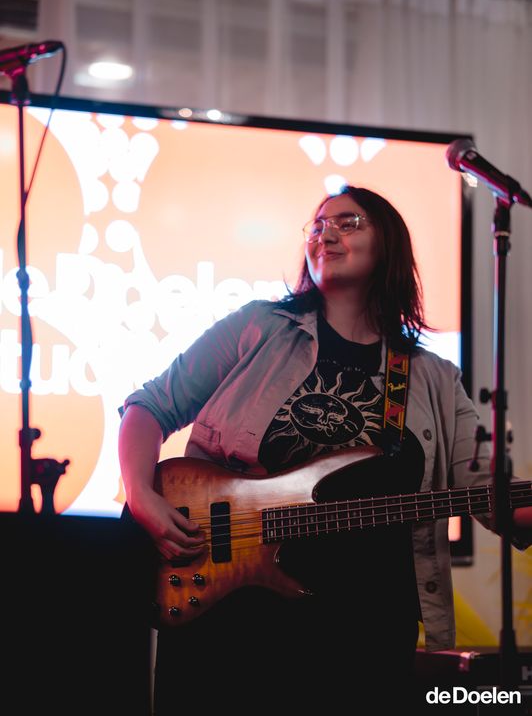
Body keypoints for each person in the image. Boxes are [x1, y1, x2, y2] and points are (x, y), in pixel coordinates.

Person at [118, 186, 531, 713]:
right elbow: (149, 406)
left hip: (366, 635)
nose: (326, 233)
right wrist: (141, 495)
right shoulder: (258, 328)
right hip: (232, 622)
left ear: (388, 245)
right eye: (317, 225)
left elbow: (489, 495)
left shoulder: (432, 377)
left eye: (348, 222)